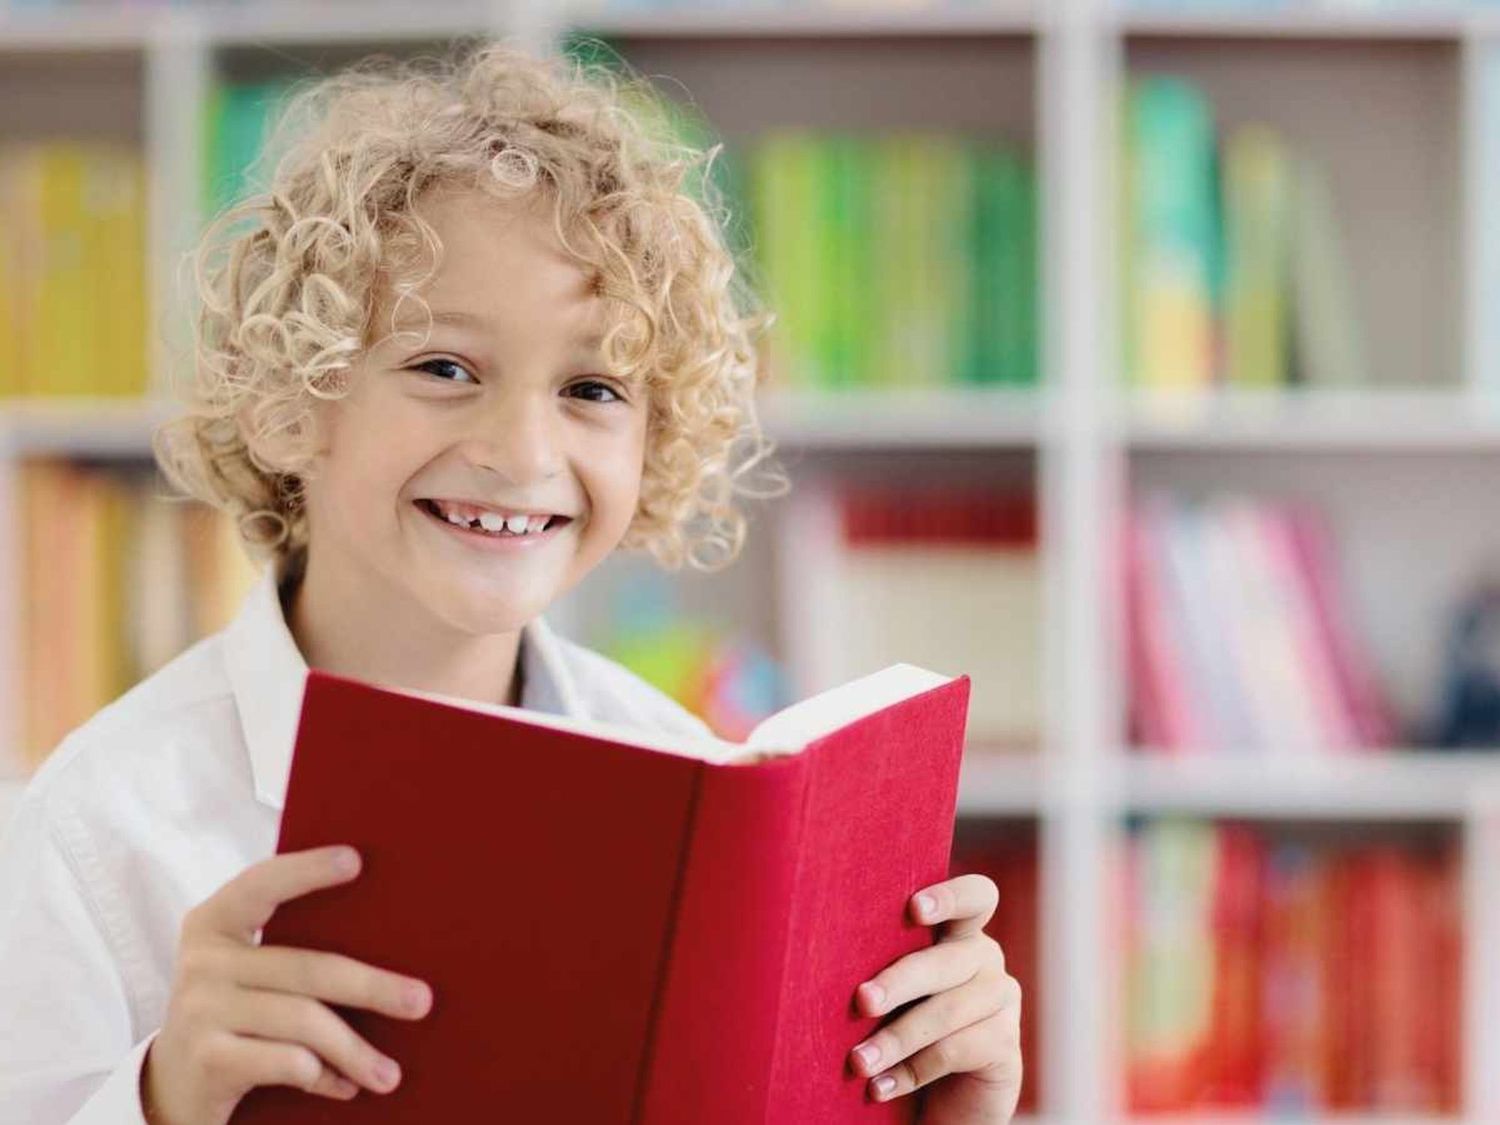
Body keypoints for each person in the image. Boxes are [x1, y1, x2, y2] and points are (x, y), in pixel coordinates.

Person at [0, 42, 1022, 1124]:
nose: (524, 452)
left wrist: (939, 1110)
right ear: (294, 401)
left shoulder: (685, 782)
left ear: (656, 442)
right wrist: (160, 1099)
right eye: (445, 368)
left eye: (591, 387)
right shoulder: (101, 826)